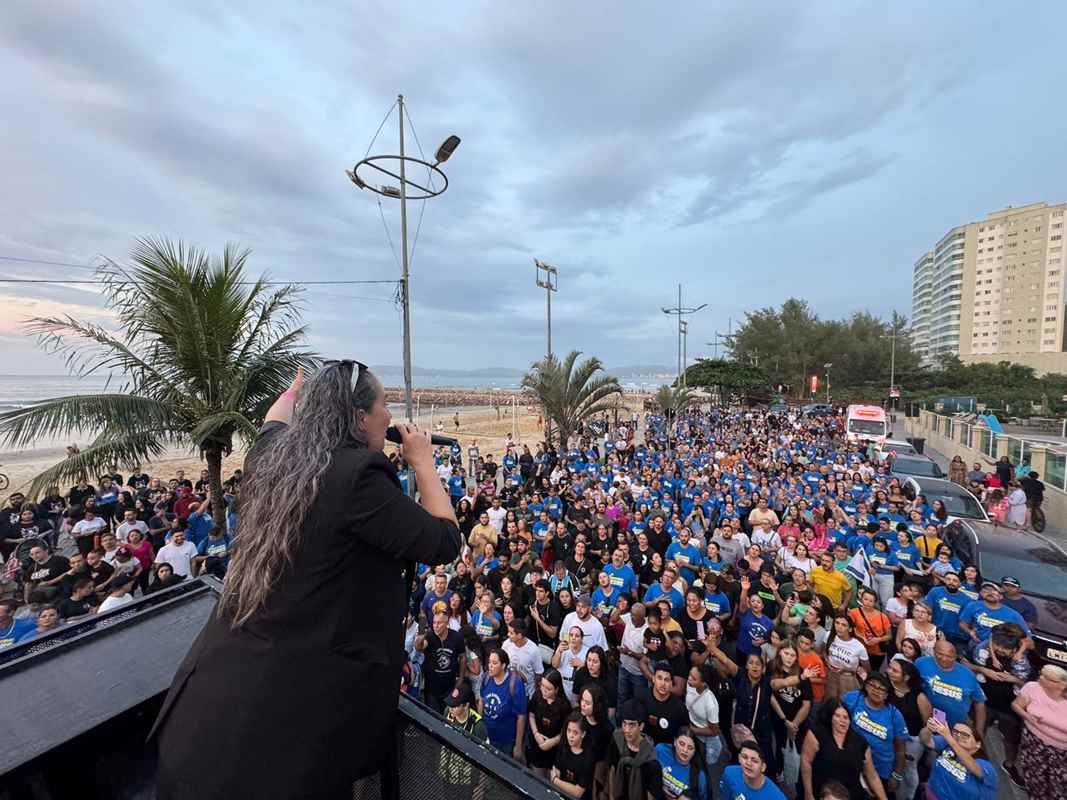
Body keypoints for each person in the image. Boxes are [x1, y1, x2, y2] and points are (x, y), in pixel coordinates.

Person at [152, 363, 462, 799]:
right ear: (357, 417)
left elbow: (273, 421)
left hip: (202, 713)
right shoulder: (358, 477)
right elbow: (445, 540)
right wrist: (423, 461)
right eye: (383, 405)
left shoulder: (272, 456)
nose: (390, 418)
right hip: (277, 743)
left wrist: (300, 388)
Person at [799, 698, 887, 800]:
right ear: (829, 717)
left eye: (846, 717)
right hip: (821, 793)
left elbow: (872, 775)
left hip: (850, 795)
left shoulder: (860, 742)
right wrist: (808, 794)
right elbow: (806, 762)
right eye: (837, 716)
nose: (842, 720)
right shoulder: (816, 734)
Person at [841, 674, 908, 797]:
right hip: (851, 763)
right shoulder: (852, 698)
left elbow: (900, 749)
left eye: (882, 689)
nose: (876, 691)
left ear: (887, 694)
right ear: (866, 686)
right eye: (872, 685)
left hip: (881, 769)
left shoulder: (894, 715)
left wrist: (897, 775)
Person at [1011, 664, 1067, 797]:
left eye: (1047, 678)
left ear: (1061, 685)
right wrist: (1028, 717)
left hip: (1062, 753)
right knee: (1035, 781)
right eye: (1041, 674)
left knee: (1059, 787)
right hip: (1033, 743)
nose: (1041, 678)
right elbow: (1016, 705)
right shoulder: (1032, 687)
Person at [916, 640, 987, 733]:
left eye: (949, 656)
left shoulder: (968, 674)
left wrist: (979, 732)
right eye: (940, 654)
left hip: (956, 728)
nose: (944, 659)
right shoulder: (921, 663)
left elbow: (980, 702)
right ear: (933, 651)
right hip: (926, 723)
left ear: (956, 656)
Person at [919, 716, 998, 800]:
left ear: (978, 744)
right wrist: (928, 729)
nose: (958, 736)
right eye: (955, 732)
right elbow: (925, 740)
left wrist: (949, 737)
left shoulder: (986, 765)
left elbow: (974, 767)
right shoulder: (948, 744)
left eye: (965, 735)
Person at [608, 699, 663, 800]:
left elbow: (651, 795)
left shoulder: (651, 758)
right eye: (624, 724)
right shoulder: (617, 738)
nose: (627, 730)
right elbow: (612, 769)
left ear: (641, 726)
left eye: (632, 725)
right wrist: (612, 797)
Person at [417, 611, 467, 714]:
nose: (436, 626)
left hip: (449, 687)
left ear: (447, 623)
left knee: (447, 719)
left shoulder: (456, 637)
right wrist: (420, 638)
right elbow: (419, 648)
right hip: (431, 688)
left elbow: (462, 657)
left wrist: (461, 677)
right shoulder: (430, 636)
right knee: (433, 718)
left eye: (439, 623)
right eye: (434, 622)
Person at [527, 669, 573, 779]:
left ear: (556, 689)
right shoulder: (537, 695)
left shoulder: (564, 705)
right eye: (542, 686)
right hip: (537, 744)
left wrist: (553, 742)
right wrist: (536, 733)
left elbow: (566, 730)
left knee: (552, 779)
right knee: (537, 776)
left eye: (548, 689)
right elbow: (531, 715)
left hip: (555, 750)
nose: (544, 690)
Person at [719, 741, 786, 800]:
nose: (748, 763)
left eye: (754, 761)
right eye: (744, 757)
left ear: (763, 767)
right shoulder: (729, 773)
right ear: (739, 758)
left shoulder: (776, 797)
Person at [655, 727, 708, 800]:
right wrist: (659, 786)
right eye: (682, 744)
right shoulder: (661, 750)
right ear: (675, 742)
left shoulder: (699, 777)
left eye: (690, 748)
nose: (685, 750)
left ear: (694, 752)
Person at [553, 713, 596, 799]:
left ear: (583, 734)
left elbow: (577, 793)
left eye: (575, 732)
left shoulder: (588, 757)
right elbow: (556, 772)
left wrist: (555, 780)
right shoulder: (563, 746)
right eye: (568, 730)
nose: (571, 736)